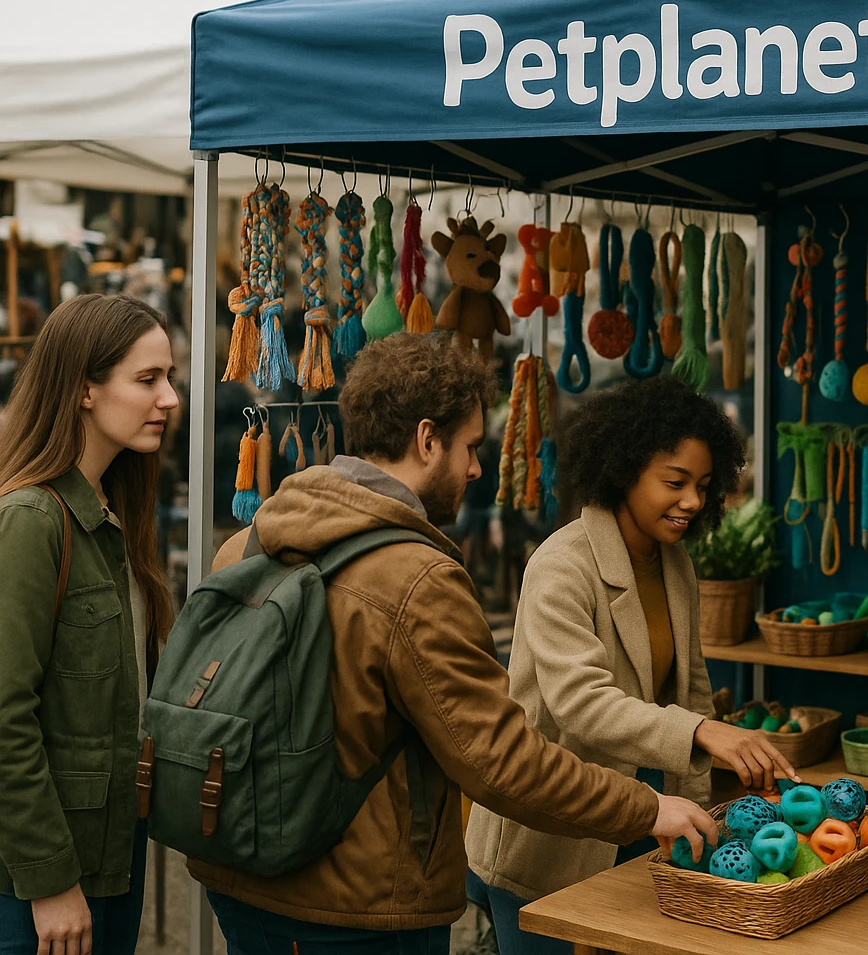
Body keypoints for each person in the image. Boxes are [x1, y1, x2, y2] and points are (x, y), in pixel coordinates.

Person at [195, 334, 716, 955]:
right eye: (470, 447)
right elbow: (500, 759)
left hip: (237, 870)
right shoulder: (419, 579)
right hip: (359, 908)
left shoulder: (252, 540)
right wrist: (644, 809)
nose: (475, 468)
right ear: (425, 439)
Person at [464, 376, 796, 955]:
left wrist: (704, 833)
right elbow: (581, 703)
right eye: (675, 482)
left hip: (646, 828)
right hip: (550, 838)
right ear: (623, 471)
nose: (692, 501)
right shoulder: (560, 566)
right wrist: (700, 731)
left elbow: (691, 690)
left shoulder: (676, 564)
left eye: (703, 485)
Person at [0, 294, 180, 955]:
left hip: (111, 859)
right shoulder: (31, 520)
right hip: (37, 882)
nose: (169, 398)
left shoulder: (115, 512)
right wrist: (49, 883)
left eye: (169, 377)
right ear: (83, 389)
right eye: (147, 379)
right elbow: (3, 715)